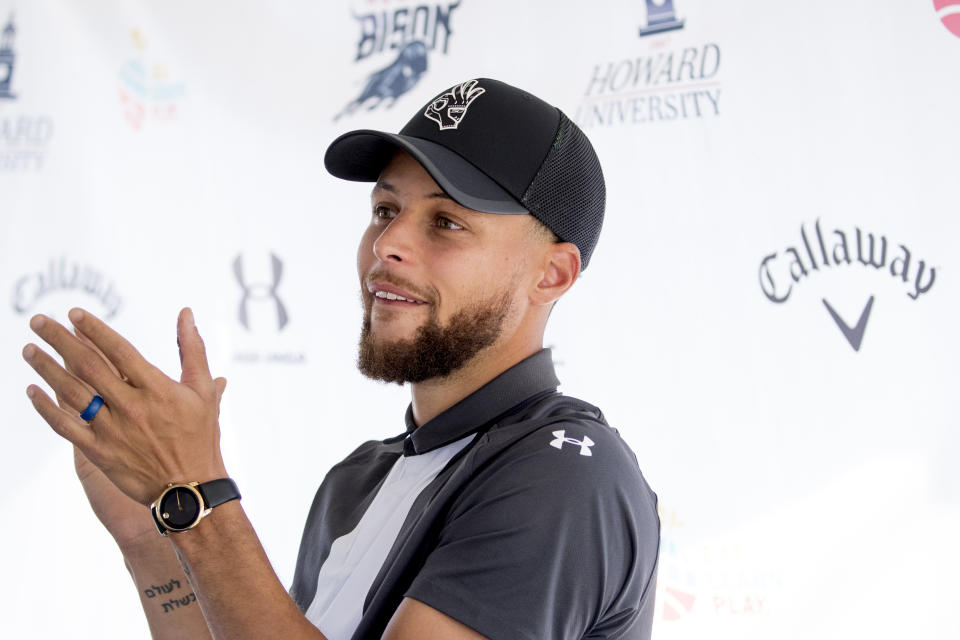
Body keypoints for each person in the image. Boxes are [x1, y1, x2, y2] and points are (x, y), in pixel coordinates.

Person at [22, 78, 660, 639]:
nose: (387, 244)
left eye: (446, 223)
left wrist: (194, 492)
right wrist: (153, 535)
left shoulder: (568, 475)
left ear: (551, 274)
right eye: (385, 210)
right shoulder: (358, 478)